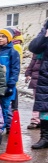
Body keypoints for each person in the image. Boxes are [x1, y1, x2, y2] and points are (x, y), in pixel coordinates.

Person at [0, 27, 21, 132]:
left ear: (9, 38)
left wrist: (11, 84)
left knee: (5, 107)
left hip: (6, 85)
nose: (0, 39)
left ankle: (3, 127)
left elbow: (15, 69)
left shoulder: (13, 52)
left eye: (3, 37)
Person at [28, 19, 48, 149]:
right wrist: (45, 35)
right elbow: (33, 47)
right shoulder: (46, 29)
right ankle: (45, 137)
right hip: (46, 76)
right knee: (45, 108)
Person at [25, 52, 42, 129]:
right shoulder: (38, 51)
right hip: (37, 79)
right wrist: (28, 73)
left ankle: (44, 120)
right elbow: (32, 63)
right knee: (37, 101)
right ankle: (35, 120)